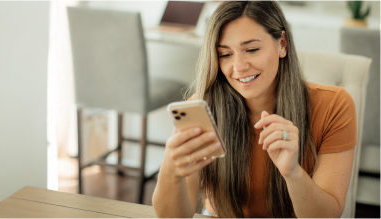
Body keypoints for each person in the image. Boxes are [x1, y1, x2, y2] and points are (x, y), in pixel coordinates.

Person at [152, 1, 357, 218]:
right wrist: (169, 171)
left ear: (282, 44)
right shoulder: (204, 109)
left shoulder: (334, 106)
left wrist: (293, 173)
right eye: (225, 54)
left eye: (251, 49)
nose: (239, 67)